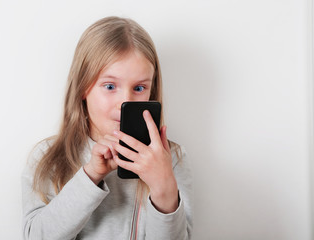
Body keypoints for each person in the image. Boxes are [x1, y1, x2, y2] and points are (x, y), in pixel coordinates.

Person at [21, 16, 193, 240]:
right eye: (110, 86)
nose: (125, 102)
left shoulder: (172, 159)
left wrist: (163, 188)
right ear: (83, 87)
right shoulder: (48, 158)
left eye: (139, 87)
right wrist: (91, 174)